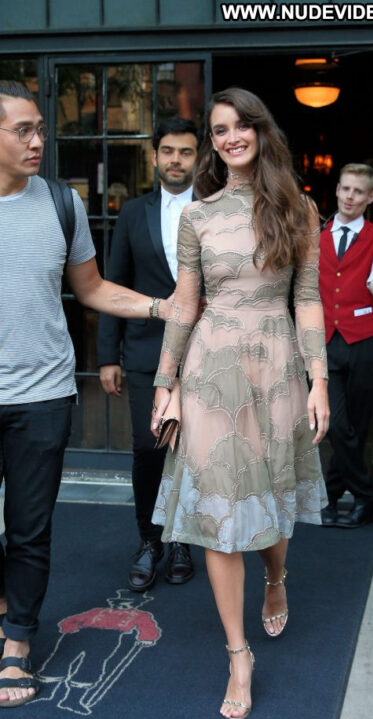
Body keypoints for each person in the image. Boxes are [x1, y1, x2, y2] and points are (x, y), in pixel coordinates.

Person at [150, 87, 329, 719]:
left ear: (260, 131)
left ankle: (275, 578)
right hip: (211, 370)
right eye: (219, 129)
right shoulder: (197, 216)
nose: (230, 137)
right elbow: (184, 304)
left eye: (240, 126)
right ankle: (237, 653)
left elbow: (307, 298)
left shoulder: (298, 209)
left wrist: (319, 380)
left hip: (277, 367)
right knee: (221, 509)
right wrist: (164, 383)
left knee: (271, 498)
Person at [0, 80, 174, 707]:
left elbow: (93, 288)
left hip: (42, 394)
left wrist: (160, 306)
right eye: (23, 130)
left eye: (40, 129)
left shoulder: (61, 204)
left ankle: (17, 642)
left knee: (29, 529)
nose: (38, 141)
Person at [97, 118, 199, 592]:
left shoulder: (216, 209)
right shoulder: (133, 213)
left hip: (203, 352)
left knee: (194, 451)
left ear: (199, 158)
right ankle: (149, 540)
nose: (176, 160)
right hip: (144, 351)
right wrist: (108, 354)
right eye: (169, 151)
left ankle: (182, 541)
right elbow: (112, 284)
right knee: (148, 447)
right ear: (155, 156)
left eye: (186, 151)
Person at [319, 163, 373, 529]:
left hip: (365, 340)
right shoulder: (315, 235)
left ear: (370, 197)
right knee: (335, 424)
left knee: (357, 427)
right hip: (325, 341)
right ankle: (369, 498)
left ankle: (332, 494)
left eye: (359, 191)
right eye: (346, 189)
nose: (350, 197)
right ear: (337, 190)